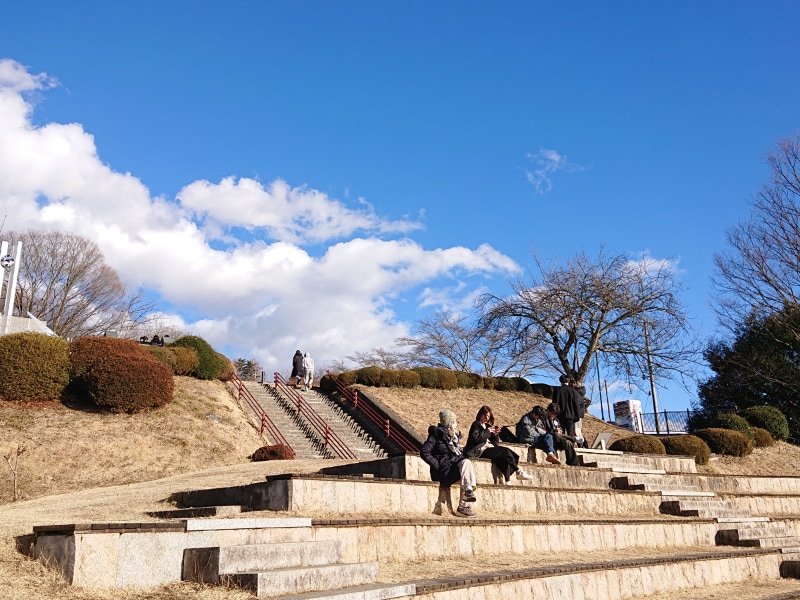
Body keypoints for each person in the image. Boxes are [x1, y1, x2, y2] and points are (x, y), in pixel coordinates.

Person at [420, 409, 478, 517]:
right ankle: (464, 504)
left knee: (467, 468)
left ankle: (464, 504)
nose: (457, 423)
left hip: (452, 469)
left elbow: (457, 456)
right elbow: (424, 452)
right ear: (449, 422)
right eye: (455, 421)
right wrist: (437, 465)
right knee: (466, 464)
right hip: (443, 471)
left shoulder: (454, 438)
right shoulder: (436, 435)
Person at [463, 405, 533, 485]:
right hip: (479, 450)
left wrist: (496, 434)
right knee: (506, 452)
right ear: (480, 414)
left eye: (488, 416)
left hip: (489, 447)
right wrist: (488, 431)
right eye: (484, 415)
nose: (486, 418)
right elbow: (476, 439)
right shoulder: (476, 424)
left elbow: (495, 443)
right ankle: (518, 471)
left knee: (511, 456)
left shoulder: (487, 426)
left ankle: (507, 481)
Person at [551, 374, 584, 438]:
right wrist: (577, 416)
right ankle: (571, 445)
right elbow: (577, 404)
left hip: (560, 415)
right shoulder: (573, 391)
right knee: (570, 434)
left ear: (560, 381)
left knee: (560, 432)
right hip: (571, 416)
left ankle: (561, 446)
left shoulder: (557, 390)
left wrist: (554, 414)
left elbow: (554, 404)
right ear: (568, 381)